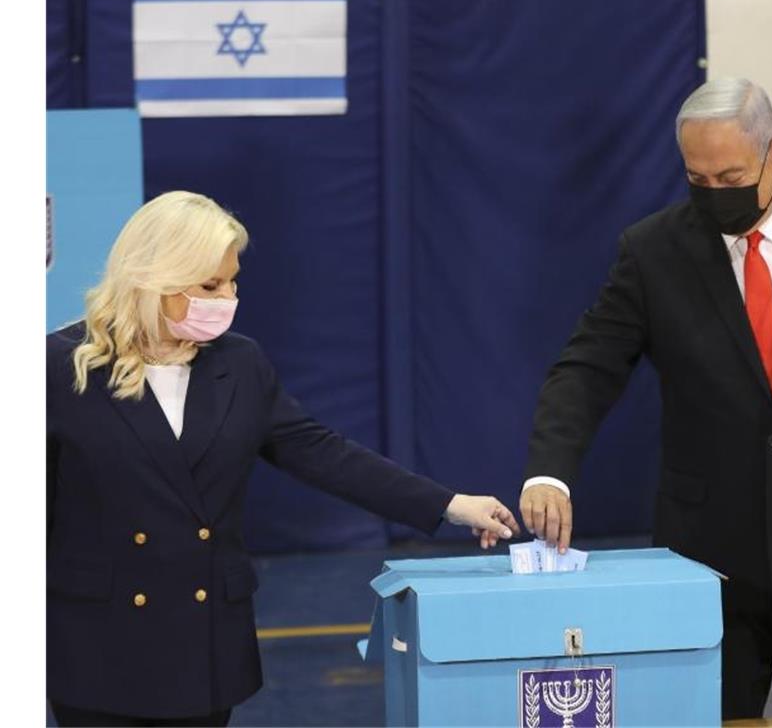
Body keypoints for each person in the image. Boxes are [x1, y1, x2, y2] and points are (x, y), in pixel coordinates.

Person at [518, 78, 772, 725]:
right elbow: (587, 368)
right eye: (698, 179)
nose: (715, 193)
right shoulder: (654, 250)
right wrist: (550, 470)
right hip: (705, 556)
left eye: (731, 177)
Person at [47, 191, 520, 727]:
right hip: (98, 645)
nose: (227, 298)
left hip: (202, 643)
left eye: (232, 283)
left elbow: (324, 454)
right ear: (155, 277)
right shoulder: (60, 368)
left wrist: (450, 504)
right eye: (210, 286)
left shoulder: (240, 364)